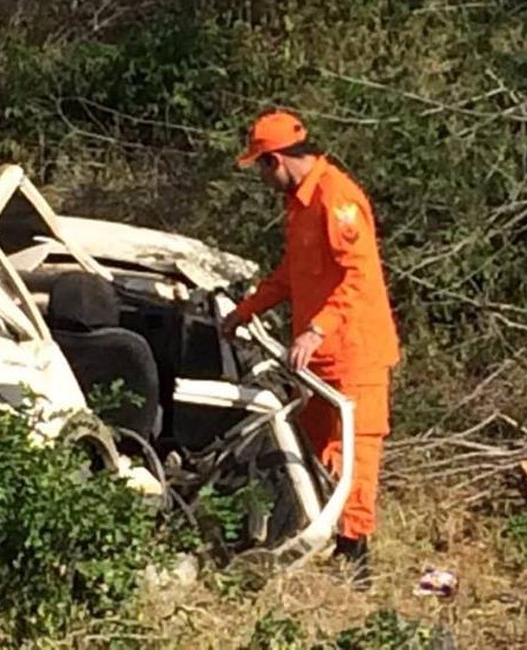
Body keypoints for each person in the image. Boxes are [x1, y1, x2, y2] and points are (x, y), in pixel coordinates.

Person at [221, 109, 400, 587]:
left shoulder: (336, 197)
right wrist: (245, 310)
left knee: (355, 454)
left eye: (262, 166)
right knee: (315, 449)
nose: (262, 177)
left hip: (354, 352)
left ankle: (355, 557)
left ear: (277, 160)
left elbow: (358, 275)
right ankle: (318, 539)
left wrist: (316, 328)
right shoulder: (300, 206)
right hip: (319, 359)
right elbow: (290, 275)